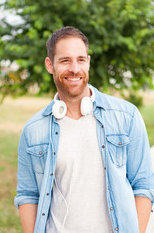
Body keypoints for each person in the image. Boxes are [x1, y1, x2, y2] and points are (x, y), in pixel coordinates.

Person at [14, 26, 154, 233]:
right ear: (49, 65)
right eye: (65, 60)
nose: (74, 68)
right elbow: (28, 196)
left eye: (80, 59)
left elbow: (143, 186)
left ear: (88, 62)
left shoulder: (127, 117)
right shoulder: (33, 130)